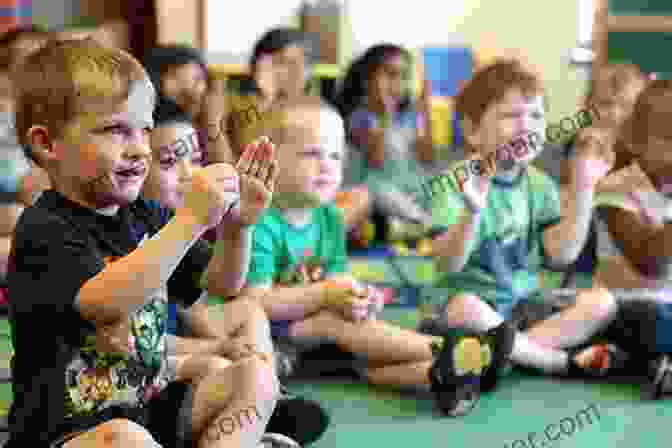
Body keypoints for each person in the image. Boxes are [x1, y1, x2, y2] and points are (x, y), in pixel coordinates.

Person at [6, 38, 288, 448]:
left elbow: (223, 285)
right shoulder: (45, 228)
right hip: (67, 434)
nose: (140, 149)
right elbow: (105, 302)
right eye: (115, 130)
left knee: (256, 376)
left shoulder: (149, 216)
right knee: (126, 439)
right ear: (48, 144)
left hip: (147, 409)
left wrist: (236, 228)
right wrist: (191, 221)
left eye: (145, 131)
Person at [240, 98, 501, 418]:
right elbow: (255, 303)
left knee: (364, 348)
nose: (327, 165)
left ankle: (444, 374)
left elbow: (336, 280)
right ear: (271, 162)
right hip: (265, 339)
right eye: (311, 153)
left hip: (311, 336)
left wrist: (359, 296)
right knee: (336, 323)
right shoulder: (260, 223)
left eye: (335, 156)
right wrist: (326, 294)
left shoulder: (329, 218)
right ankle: (448, 350)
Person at [428, 60, 627, 396]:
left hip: (523, 307)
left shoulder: (541, 185)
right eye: (510, 116)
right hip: (468, 312)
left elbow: (561, 255)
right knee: (465, 306)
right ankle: (553, 362)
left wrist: (583, 190)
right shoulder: (457, 182)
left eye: (535, 116)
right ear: (474, 131)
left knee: (602, 302)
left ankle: (503, 355)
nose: (526, 126)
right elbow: (447, 265)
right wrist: (472, 213)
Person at [142, 98, 330, 445]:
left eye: (195, 160)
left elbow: (222, 290)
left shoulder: (166, 221)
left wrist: (239, 225)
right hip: (138, 375)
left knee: (246, 312)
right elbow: (140, 343)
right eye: (169, 162)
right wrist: (220, 347)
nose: (189, 174)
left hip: (166, 349)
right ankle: (257, 403)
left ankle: (269, 399)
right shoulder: (123, 232)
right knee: (219, 365)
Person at [232, 28, 370, 232]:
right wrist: (267, 98)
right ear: (260, 67)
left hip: (307, 196)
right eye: (284, 63)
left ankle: (309, 240)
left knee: (360, 196)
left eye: (302, 63)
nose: (295, 71)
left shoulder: (315, 107)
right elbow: (255, 159)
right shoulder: (245, 106)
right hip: (267, 196)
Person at [584, 80, 672, 399]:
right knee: (657, 321)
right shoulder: (615, 188)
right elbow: (651, 264)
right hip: (625, 305)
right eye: (669, 138)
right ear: (636, 140)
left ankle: (659, 365)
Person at [335, 44, 435, 228]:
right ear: (367, 80)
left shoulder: (408, 118)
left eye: (404, 76)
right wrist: (384, 116)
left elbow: (427, 158)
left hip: (406, 193)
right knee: (377, 187)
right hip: (373, 196)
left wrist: (424, 115)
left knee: (440, 183)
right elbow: (376, 161)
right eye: (390, 74)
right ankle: (423, 223)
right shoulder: (359, 118)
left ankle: (414, 220)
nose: (397, 83)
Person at [142, 44, 234, 165]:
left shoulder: (200, 122)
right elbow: (224, 172)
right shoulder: (161, 130)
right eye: (197, 79)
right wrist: (213, 120)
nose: (201, 89)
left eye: (200, 79)